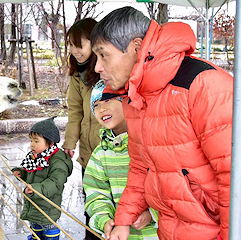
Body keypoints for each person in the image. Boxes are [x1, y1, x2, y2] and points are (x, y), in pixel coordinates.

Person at [90, 6, 232, 240]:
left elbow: (233, 178)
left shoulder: (203, 85)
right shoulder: (135, 96)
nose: (97, 67)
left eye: (103, 54)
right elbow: (140, 166)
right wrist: (123, 220)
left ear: (136, 48)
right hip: (170, 229)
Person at [83, 80, 159, 240]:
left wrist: (152, 214)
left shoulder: (152, 144)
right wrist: (104, 220)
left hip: (156, 234)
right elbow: (95, 194)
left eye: (108, 100)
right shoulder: (101, 154)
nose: (101, 108)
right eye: (95, 105)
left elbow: (170, 187)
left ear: (127, 102)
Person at [62, 18, 102, 240]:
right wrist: (70, 142)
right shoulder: (77, 73)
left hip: (109, 152)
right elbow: (75, 110)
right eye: (71, 44)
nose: (75, 51)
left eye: (80, 45)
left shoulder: (107, 70)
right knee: (91, 205)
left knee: (110, 205)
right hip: (88, 154)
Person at [12, 117, 73, 240]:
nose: (32, 145)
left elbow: (56, 183)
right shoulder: (35, 157)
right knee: (35, 227)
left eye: (36, 141)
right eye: (31, 141)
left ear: (50, 143)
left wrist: (36, 189)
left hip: (48, 208)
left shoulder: (58, 161)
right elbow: (31, 172)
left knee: (49, 229)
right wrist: (22, 173)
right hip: (33, 203)